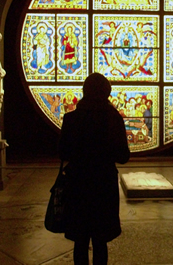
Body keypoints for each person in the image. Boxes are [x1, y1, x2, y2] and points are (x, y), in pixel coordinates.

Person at [58, 73, 130, 264]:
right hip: (103, 185)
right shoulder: (113, 119)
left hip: (77, 184)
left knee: (80, 240)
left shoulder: (71, 119)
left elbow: (63, 152)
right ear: (106, 92)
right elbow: (123, 157)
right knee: (100, 240)